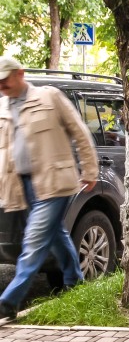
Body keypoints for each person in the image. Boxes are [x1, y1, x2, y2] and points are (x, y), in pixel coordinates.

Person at [0, 57, 98, 320]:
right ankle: (75, 282)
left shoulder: (49, 97)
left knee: (34, 239)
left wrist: (90, 170)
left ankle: (9, 300)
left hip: (54, 181)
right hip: (21, 185)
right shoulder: (3, 107)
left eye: (5, 80)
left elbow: (80, 133)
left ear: (20, 74)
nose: (2, 86)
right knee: (55, 234)